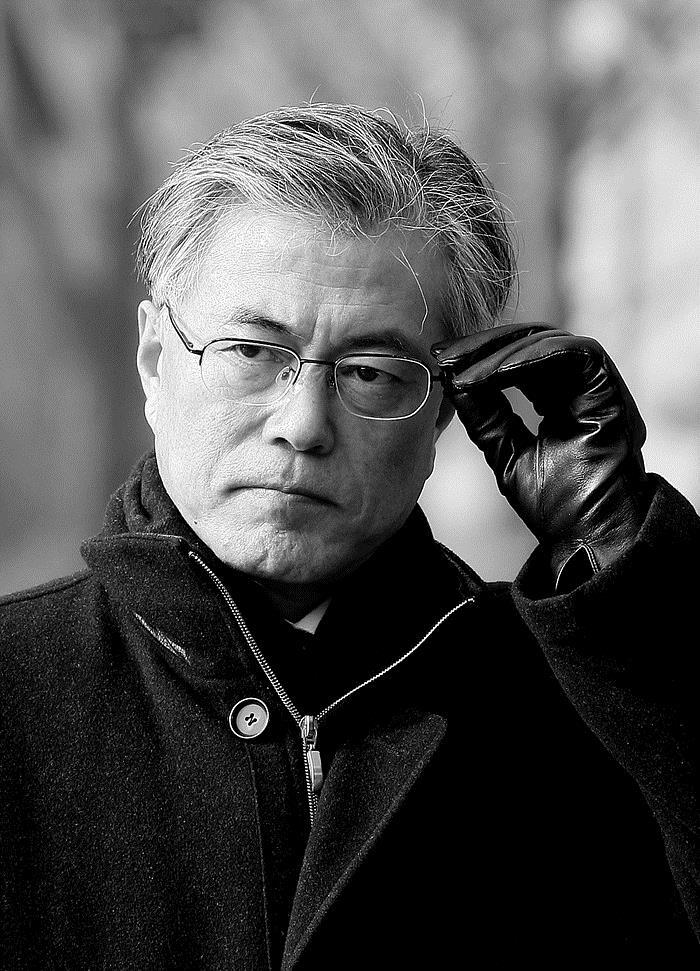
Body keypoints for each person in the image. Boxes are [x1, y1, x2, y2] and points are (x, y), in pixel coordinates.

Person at [0, 103, 697, 969]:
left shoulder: (578, 706)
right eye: (252, 351)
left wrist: (633, 582)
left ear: (444, 413)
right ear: (154, 360)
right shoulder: (16, 690)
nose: (302, 424)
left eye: (370, 372)